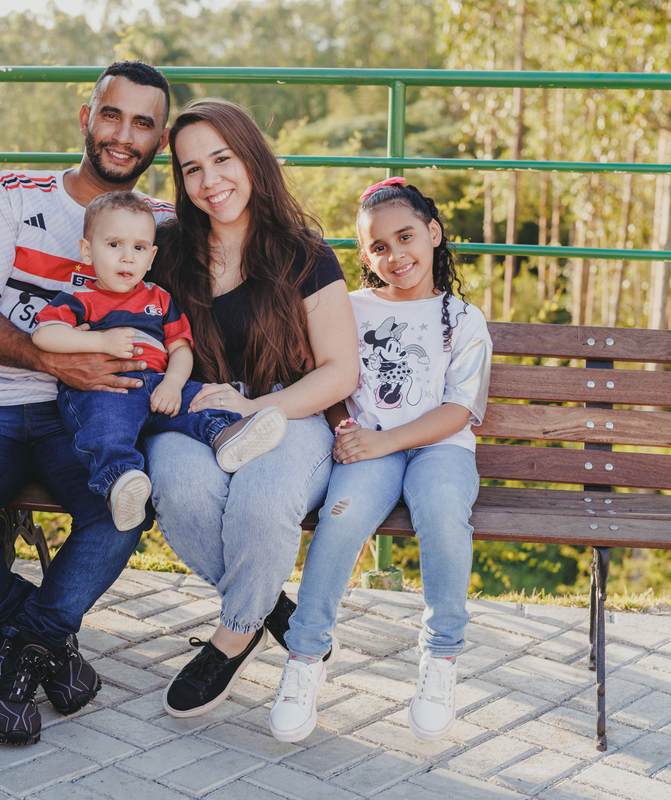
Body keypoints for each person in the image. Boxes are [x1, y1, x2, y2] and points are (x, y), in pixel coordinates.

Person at [0, 61, 175, 746]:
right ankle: (41, 638)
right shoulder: (13, 194)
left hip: (90, 413)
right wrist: (53, 359)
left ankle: (20, 651)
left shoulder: (163, 225)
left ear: (160, 141)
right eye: (112, 114)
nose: (124, 134)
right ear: (87, 117)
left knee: (120, 511)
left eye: (143, 123)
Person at [145, 99, 360, 718]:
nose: (209, 180)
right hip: (194, 416)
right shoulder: (165, 250)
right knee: (180, 489)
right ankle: (268, 609)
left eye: (222, 159)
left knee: (263, 500)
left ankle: (232, 636)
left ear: (252, 158)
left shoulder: (304, 254)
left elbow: (339, 370)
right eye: (191, 169)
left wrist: (257, 406)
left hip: (289, 411)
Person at [267, 177, 492, 744]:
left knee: (444, 513)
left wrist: (382, 441)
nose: (396, 255)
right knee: (340, 517)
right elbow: (326, 375)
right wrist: (342, 425)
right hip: (367, 448)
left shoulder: (462, 318)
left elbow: (459, 411)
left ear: (433, 233)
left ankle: (441, 657)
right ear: (365, 256)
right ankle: (305, 656)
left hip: (439, 448)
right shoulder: (351, 308)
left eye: (406, 237)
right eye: (379, 247)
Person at [32, 191, 288, 531]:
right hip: (106, 388)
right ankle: (121, 481)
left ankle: (226, 435)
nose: (127, 258)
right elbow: (44, 335)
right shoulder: (79, 298)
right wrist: (100, 341)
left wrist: (173, 383)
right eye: (114, 245)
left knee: (200, 397)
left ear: (151, 257)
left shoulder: (160, 298)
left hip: (159, 386)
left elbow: (180, 349)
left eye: (139, 248)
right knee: (104, 428)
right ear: (87, 250)